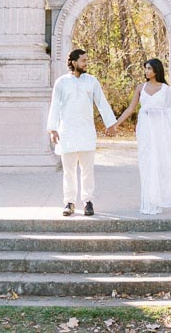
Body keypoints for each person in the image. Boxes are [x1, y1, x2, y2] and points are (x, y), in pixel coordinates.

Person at [46, 47, 118, 217]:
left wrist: (111, 124)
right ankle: (69, 202)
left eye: (86, 60)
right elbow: (55, 105)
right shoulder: (61, 82)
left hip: (86, 131)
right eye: (83, 60)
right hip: (67, 132)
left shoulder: (91, 81)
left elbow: (102, 102)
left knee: (87, 170)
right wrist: (53, 129)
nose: (86, 63)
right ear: (73, 62)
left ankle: (88, 201)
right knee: (69, 170)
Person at [108, 58, 171, 215]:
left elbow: (170, 113)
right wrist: (116, 124)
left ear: (156, 70)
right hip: (145, 128)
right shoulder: (140, 87)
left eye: (149, 69)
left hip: (160, 130)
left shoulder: (166, 89)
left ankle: (157, 199)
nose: (146, 71)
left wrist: (168, 134)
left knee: (158, 162)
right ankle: (147, 201)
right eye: (145, 68)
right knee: (147, 162)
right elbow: (131, 109)